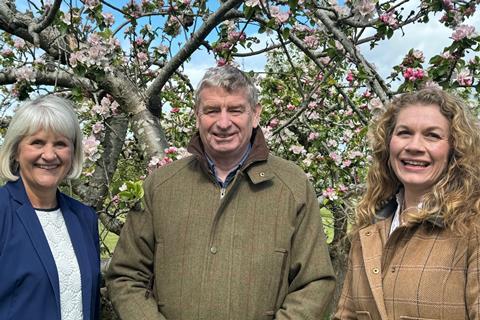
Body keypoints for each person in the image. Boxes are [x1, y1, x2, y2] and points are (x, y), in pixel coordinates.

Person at [106, 65, 336, 319]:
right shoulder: (161, 186)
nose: (223, 123)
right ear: (197, 116)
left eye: (235, 110)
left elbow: (315, 283)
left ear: (255, 114)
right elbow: (126, 276)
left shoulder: (292, 186)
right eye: (212, 110)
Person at [334, 88, 480, 319]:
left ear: (455, 148)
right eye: (404, 133)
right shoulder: (368, 232)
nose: (414, 146)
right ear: (388, 143)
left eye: (432, 135)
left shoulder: (472, 227)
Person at [0, 95, 101, 320]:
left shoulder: (84, 217)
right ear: (16, 150)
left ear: (72, 153)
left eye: (60, 144)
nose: (49, 155)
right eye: (37, 142)